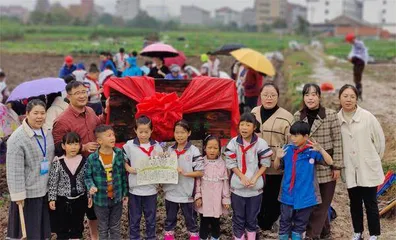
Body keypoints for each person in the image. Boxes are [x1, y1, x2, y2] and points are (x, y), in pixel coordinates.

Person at [52, 81, 107, 240]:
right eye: (78, 93)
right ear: (68, 97)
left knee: (94, 211)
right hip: (75, 174)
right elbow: (57, 148)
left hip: (95, 169)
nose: (83, 96)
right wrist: (82, 147)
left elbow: (99, 123)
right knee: (75, 210)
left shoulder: (90, 111)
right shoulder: (62, 121)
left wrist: (108, 110)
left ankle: (94, 237)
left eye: (84, 91)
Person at [294, 83, 343, 240]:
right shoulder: (298, 116)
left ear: (319, 97)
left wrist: (336, 166)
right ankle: (325, 232)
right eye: (307, 94)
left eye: (314, 94)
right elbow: (295, 142)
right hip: (306, 168)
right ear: (303, 97)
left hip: (326, 165)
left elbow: (338, 142)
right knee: (312, 203)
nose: (310, 98)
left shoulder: (330, 115)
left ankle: (311, 235)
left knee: (322, 205)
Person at [337, 84, 385, 240]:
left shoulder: (367, 117)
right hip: (350, 168)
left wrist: (372, 159)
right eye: (345, 96)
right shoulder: (337, 119)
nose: (348, 99)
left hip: (367, 166)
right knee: (354, 202)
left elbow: (379, 143)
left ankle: (374, 234)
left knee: (370, 202)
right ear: (339, 98)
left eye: (352, 96)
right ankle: (357, 232)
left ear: (356, 99)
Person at [274, 121, 334, 240]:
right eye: (292, 135)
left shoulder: (312, 151)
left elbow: (330, 162)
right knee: (284, 222)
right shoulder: (287, 149)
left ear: (306, 136)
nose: (293, 139)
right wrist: (277, 157)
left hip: (306, 195)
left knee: (300, 224)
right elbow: (277, 167)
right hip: (288, 194)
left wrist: (320, 149)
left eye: (296, 135)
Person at [6, 99, 55, 239]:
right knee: (28, 231)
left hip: (45, 189)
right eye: (35, 113)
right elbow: (14, 171)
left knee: (43, 232)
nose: (40, 117)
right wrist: (18, 195)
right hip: (28, 195)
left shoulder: (47, 132)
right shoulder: (17, 139)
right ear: (27, 114)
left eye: (42, 113)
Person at [251, 83, 294, 232]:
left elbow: (291, 143)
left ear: (278, 97)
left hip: (276, 166)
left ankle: (268, 223)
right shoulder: (254, 113)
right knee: (256, 195)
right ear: (260, 96)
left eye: (272, 95)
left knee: (273, 195)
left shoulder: (287, 117)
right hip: (255, 165)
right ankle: (255, 221)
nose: (269, 98)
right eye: (265, 95)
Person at [224, 113, 273, 240]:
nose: (244, 127)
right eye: (242, 124)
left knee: (252, 218)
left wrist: (255, 178)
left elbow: (265, 164)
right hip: (238, 188)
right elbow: (230, 163)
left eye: (248, 124)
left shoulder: (261, 143)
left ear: (254, 126)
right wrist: (241, 176)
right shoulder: (234, 143)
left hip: (254, 189)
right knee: (238, 217)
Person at [163, 120, 204, 240]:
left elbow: (200, 172)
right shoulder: (169, 150)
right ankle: (169, 235)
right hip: (171, 192)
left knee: (190, 219)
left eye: (183, 132)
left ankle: (193, 235)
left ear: (189, 133)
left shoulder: (193, 151)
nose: (179, 135)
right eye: (177, 132)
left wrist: (185, 173)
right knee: (170, 218)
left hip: (187, 192)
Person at [85, 125, 128, 240]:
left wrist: (125, 193)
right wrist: (91, 186)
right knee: (103, 227)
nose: (112, 137)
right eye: (108, 135)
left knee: (115, 226)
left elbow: (123, 174)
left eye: (113, 134)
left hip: (117, 198)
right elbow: (87, 176)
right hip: (100, 199)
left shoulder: (119, 154)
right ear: (99, 140)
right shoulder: (92, 158)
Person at [123, 116, 163, 240]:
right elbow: (122, 159)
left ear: (151, 131)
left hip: (151, 189)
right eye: (141, 132)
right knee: (134, 218)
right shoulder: (129, 145)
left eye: (146, 132)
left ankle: (151, 237)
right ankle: (134, 237)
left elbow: (162, 163)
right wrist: (128, 168)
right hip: (135, 189)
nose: (144, 135)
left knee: (151, 218)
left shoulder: (156, 146)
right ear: (135, 130)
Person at [48, 132, 90, 239]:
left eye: (76, 144)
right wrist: (52, 198)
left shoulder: (84, 161)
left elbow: (88, 180)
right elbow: (53, 181)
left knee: (77, 226)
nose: (73, 147)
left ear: (80, 145)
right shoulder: (58, 162)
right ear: (63, 146)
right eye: (70, 144)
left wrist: (89, 196)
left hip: (79, 199)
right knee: (62, 227)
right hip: (62, 200)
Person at [194, 135, 230, 240]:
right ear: (205, 148)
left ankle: (215, 237)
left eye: (215, 148)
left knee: (216, 222)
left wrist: (226, 198)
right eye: (210, 147)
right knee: (204, 222)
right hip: (204, 198)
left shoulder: (222, 164)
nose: (212, 150)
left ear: (219, 149)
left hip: (217, 198)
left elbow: (225, 183)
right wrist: (198, 196)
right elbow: (197, 181)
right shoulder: (201, 163)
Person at [345, 33, 368, 100]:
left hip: (360, 62)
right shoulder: (354, 45)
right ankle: (358, 92)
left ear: (351, 40)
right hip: (356, 62)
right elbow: (353, 53)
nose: (349, 42)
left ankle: (359, 93)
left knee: (357, 77)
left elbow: (358, 54)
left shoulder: (359, 44)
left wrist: (351, 58)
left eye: (349, 41)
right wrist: (350, 57)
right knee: (356, 78)